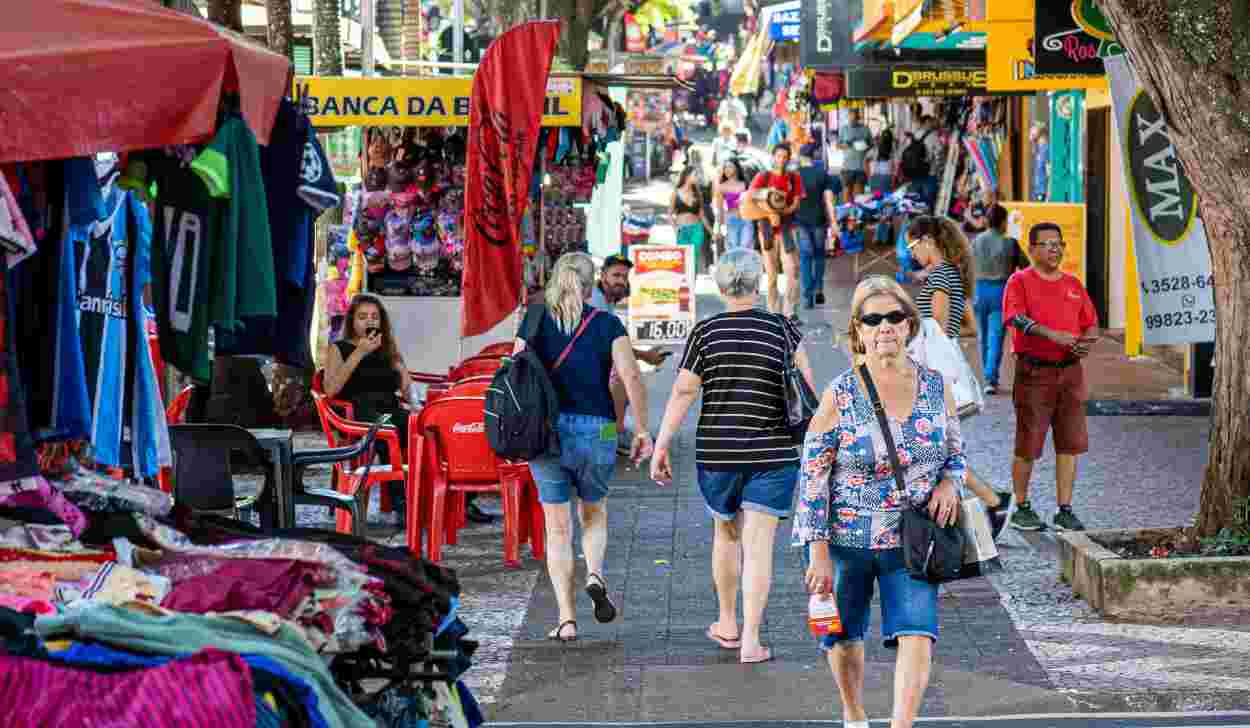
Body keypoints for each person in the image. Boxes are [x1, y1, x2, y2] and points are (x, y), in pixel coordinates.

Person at [795, 276, 965, 728]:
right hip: (846, 544)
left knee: (917, 634)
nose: (885, 326)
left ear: (910, 325)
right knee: (843, 637)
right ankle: (853, 714)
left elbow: (955, 453)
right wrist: (817, 552)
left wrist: (950, 483)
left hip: (912, 541)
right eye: (873, 319)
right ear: (858, 332)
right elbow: (813, 475)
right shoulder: (840, 394)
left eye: (895, 317)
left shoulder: (936, 387)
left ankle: (900, 724)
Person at [651, 248, 814, 664]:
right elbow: (809, 390)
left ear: (722, 286)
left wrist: (662, 443)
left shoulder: (705, 333)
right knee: (759, 549)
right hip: (773, 453)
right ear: (758, 283)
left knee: (726, 535)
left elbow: (684, 391)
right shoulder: (783, 330)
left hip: (718, 453)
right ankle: (752, 640)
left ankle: (727, 623)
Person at [516, 252, 653, 642]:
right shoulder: (607, 323)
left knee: (557, 529)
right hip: (600, 430)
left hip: (545, 432)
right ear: (591, 284)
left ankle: (566, 619)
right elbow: (630, 376)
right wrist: (642, 429)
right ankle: (594, 574)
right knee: (594, 512)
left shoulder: (535, 319)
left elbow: (516, 371)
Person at [906, 216, 1012, 537]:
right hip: (941, 374)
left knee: (934, 450)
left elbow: (935, 327)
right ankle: (976, 507)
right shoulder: (951, 274)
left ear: (928, 241)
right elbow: (967, 326)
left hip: (932, 379)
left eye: (912, 246)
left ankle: (993, 502)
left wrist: (919, 331)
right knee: (932, 449)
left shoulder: (939, 277)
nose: (911, 254)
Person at [1003, 222, 1098, 533]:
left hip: (1071, 372)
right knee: (1028, 443)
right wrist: (1052, 335)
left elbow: (1090, 323)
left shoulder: (1074, 284)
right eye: (1047, 244)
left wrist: (1087, 342)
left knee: (1070, 443)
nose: (1055, 249)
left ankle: (1065, 509)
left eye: (1059, 243)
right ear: (1032, 249)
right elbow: (1015, 318)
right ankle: (1021, 506)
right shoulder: (1019, 281)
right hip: (1034, 372)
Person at [322, 294, 416, 521]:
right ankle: (402, 504)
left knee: (427, 427)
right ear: (352, 321)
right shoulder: (339, 348)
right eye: (362, 316)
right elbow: (331, 389)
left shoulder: (387, 350)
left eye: (374, 317)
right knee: (385, 429)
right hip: (356, 412)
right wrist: (359, 352)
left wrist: (403, 373)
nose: (369, 322)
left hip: (389, 408)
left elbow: (405, 392)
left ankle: (454, 499)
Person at [590, 254, 669, 451]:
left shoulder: (606, 298)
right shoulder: (596, 301)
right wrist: (645, 356)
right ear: (602, 275)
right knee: (622, 378)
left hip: (590, 362)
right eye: (616, 275)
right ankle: (612, 433)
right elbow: (614, 346)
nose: (621, 281)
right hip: (581, 368)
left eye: (625, 277)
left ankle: (611, 432)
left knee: (622, 375)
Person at [748, 143, 804, 323]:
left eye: (785, 157)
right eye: (778, 156)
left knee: (793, 270)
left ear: (788, 158)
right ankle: (773, 312)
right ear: (773, 156)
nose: (781, 160)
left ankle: (790, 311)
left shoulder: (794, 178)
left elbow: (795, 204)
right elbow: (750, 199)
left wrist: (781, 212)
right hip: (767, 230)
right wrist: (770, 213)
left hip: (787, 228)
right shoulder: (763, 177)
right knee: (771, 273)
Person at [971, 204, 1017, 395]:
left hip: (979, 291)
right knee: (996, 336)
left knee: (983, 336)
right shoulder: (1009, 243)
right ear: (1001, 222)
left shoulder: (976, 241)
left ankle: (987, 376)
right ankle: (991, 378)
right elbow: (1024, 266)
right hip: (1000, 292)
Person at [792, 142, 839, 309]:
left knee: (805, 256)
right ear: (814, 156)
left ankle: (807, 296)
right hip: (819, 220)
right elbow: (828, 200)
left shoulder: (795, 175)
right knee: (819, 256)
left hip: (800, 221)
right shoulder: (822, 174)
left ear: (801, 156)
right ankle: (819, 290)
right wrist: (833, 222)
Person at [671, 166, 713, 275]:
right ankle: (685, 286)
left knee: (693, 258)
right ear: (687, 176)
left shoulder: (697, 193)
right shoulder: (676, 192)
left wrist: (711, 232)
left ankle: (692, 286)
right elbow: (670, 214)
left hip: (696, 229)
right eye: (695, 175)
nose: (697, 177)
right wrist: (675, 228)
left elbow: (702, 215)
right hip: (682, 230)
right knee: (683, 259)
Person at [713, 158, 752, 252]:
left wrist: (745, 199)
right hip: (731, 220)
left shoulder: (745, 184)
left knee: (745, 249)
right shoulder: (721, 187)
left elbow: (752, 202)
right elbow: (719, 209)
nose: (726, 169)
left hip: (746, 220)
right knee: (733, 250)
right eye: (725, 167)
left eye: (730, 166)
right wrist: (718, 228)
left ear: (736, 168)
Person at [837, 110, 872, 201]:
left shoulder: (865, 129)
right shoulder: (844, 129)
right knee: (847, 194)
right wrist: (846, 145)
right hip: (847, 167)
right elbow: (838, 145)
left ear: (858, 118)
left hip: (860, 167)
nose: (852, 120)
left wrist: (864, 147)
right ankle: (847, 213)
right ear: (848, 117)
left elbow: (871, 145)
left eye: (855, 118)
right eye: (850, 117)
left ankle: (856, 214)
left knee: (859, 196)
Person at [864, 129, 895, 197]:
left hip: (875, 177)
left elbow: (865, 161)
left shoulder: (875, 149)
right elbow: (894, 166)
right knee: (886, 200)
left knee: (876, 199)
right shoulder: (893, 150)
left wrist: (868, 175)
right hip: (887, 177)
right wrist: (893, 180)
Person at [1030, 123, 1050, 201]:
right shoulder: (1039, 149)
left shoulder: (1046, 149)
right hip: (1037, 191)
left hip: (1043, 192)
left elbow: (1049, 173)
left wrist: (1048, 196)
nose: (1030, 132)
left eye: (1033, 130)